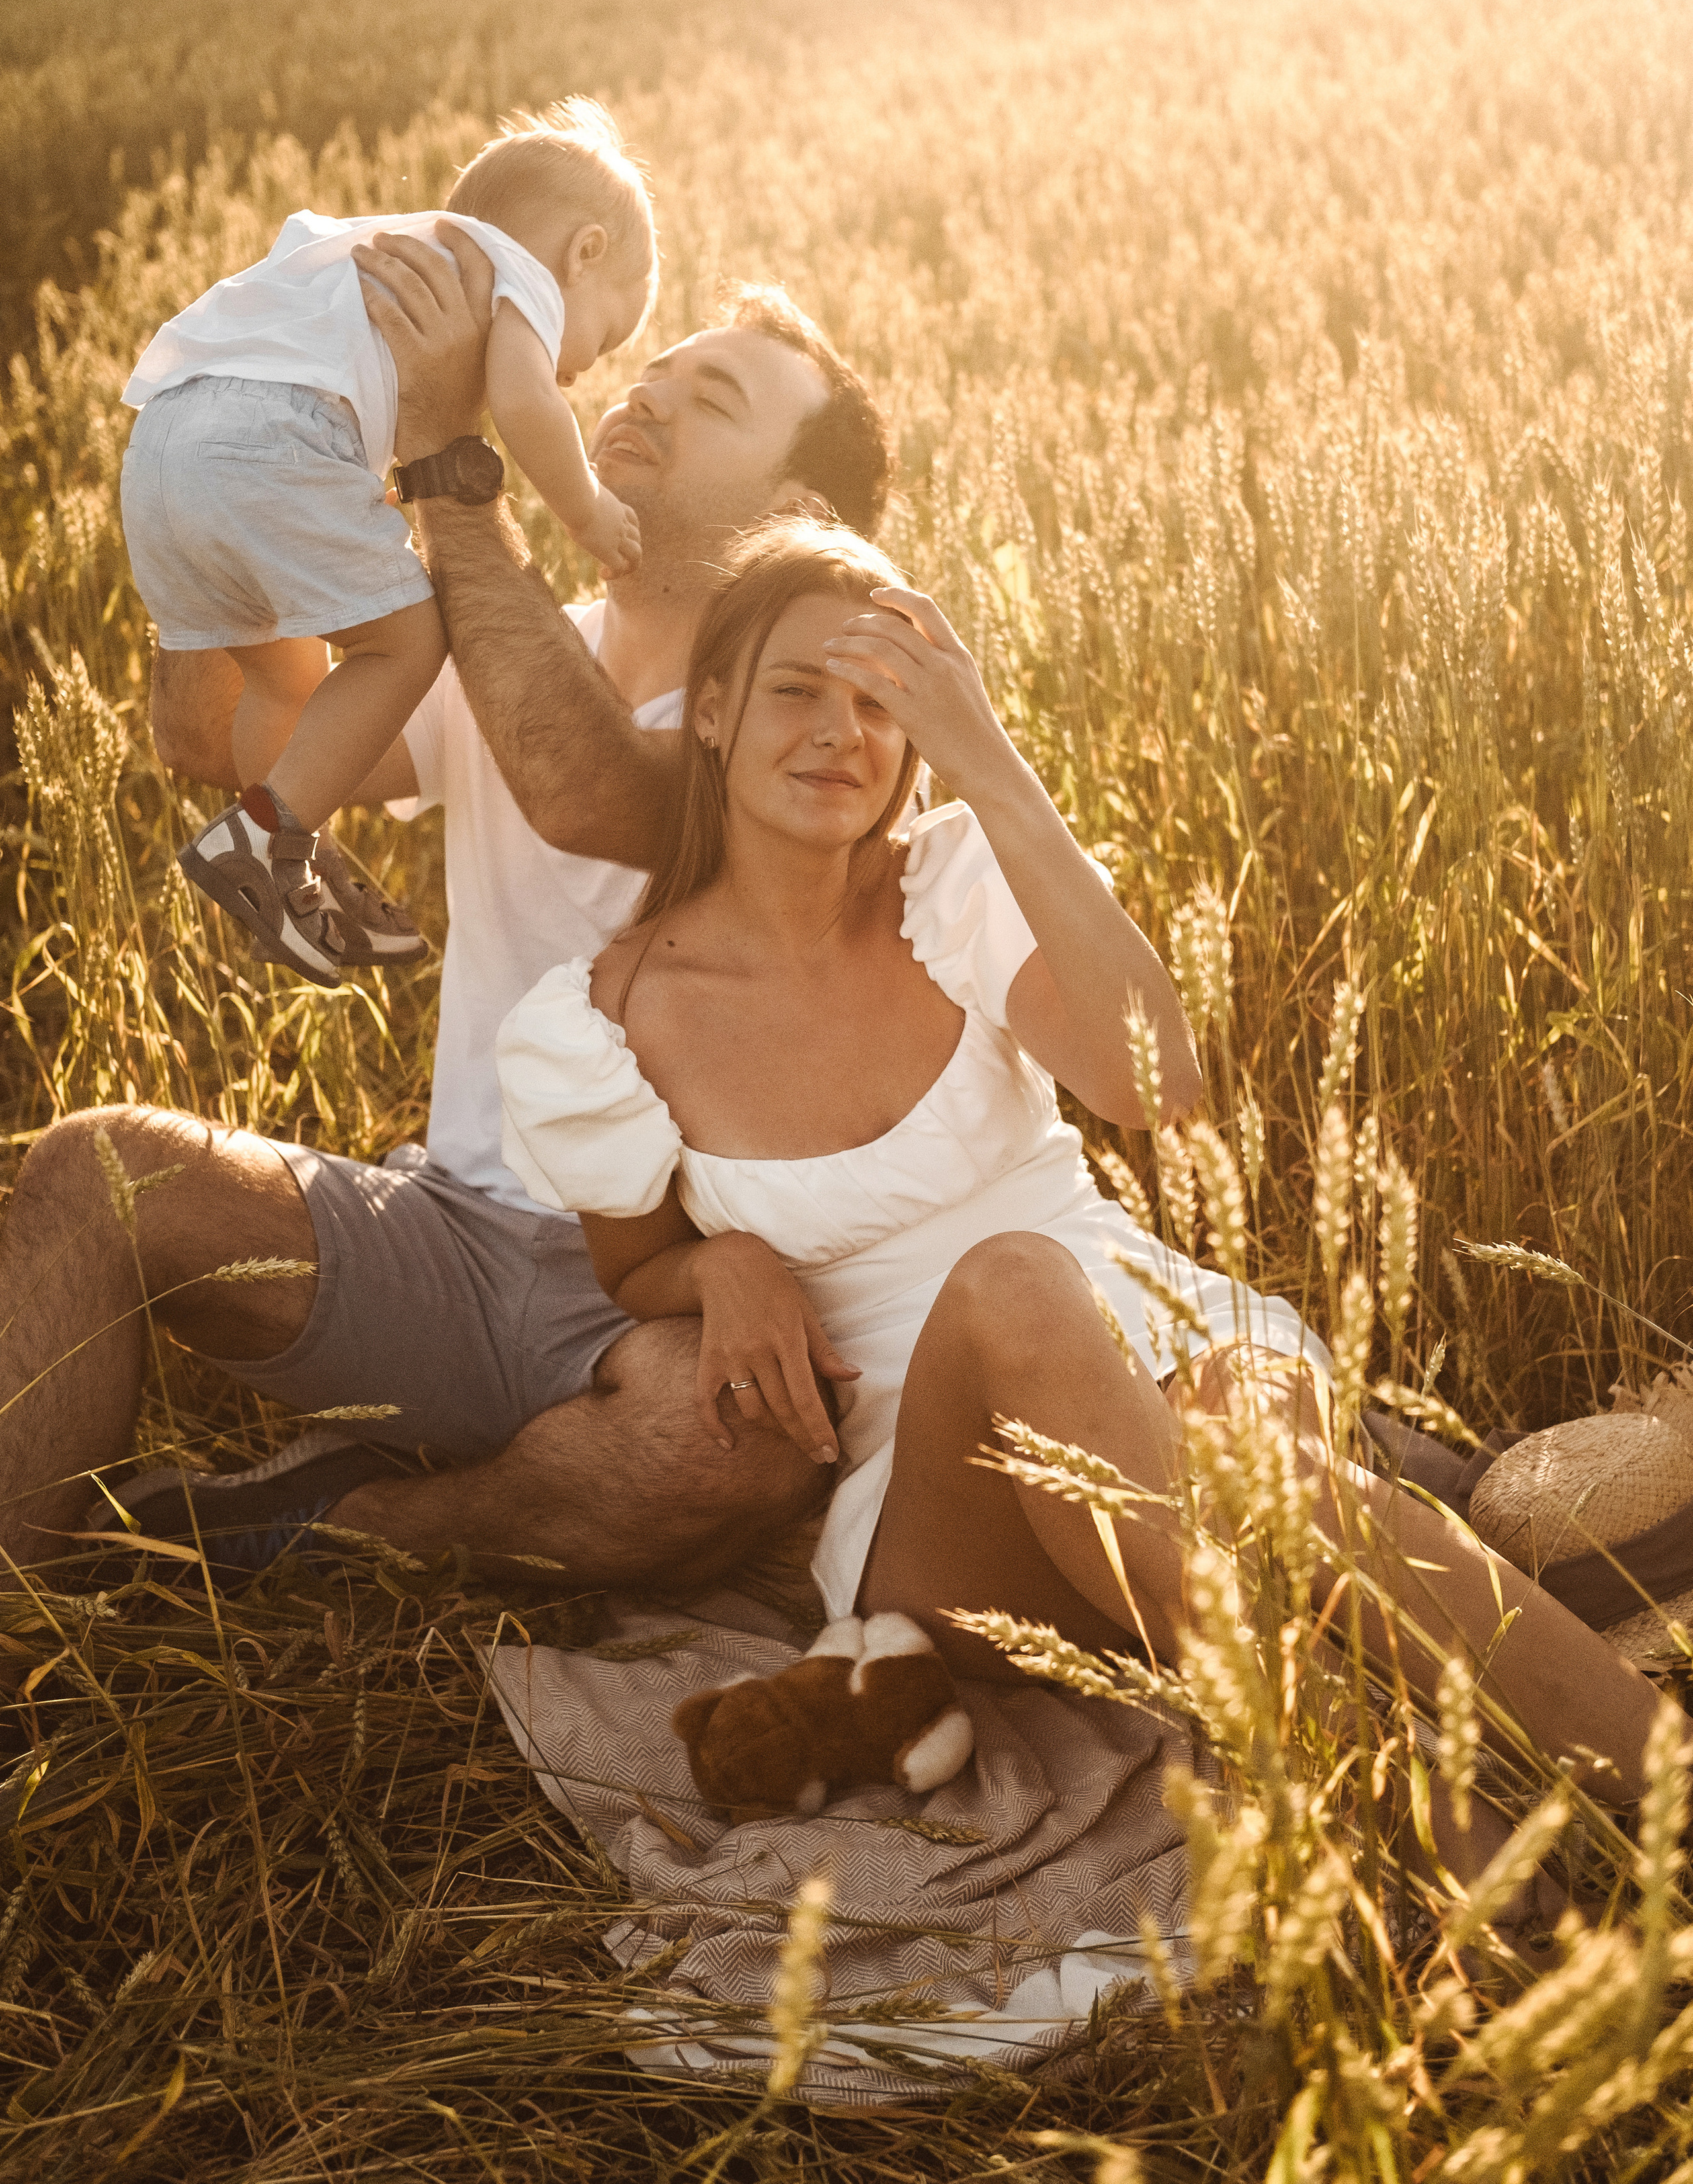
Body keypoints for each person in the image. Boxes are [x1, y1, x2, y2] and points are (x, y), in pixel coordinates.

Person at [493, 511, 1674, 1821]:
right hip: (946, 1506)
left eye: (885, 705)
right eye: (794, 692)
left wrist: (990, 765)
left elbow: (1149, 1083)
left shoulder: (946, 885)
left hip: (1173, 1353)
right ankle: (1439, 1832)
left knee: (1261, 1462)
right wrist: (719, 1262)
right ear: (709, 711)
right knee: (1013, 1286)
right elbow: (634, 1266)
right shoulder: (603, 1018)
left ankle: (1644, 1809)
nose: (841, 733)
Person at [0, 238, 882, 1590]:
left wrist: (450, 466)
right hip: (447, 1235)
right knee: (92, 1171)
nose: (644, 397)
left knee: (740, 1446)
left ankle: (325, 1536)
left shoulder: (798, 730)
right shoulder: (517, 638)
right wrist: (224, 488)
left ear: (797, 506)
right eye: (652, 370)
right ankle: (18, 1622)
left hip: (656, 1288)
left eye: (711, 402)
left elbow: (584, 786)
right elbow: (218, 734)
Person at [119, 100, 653, 979]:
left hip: (161, 447)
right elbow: (525, 403)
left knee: (284, 675)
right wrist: (587, 510)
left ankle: (296, 849)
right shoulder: (518, 271)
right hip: (273, 445)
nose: (577, 368)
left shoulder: (401, 243)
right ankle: (264, 845)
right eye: (600, 340)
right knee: (408, 640)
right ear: (584, 251)